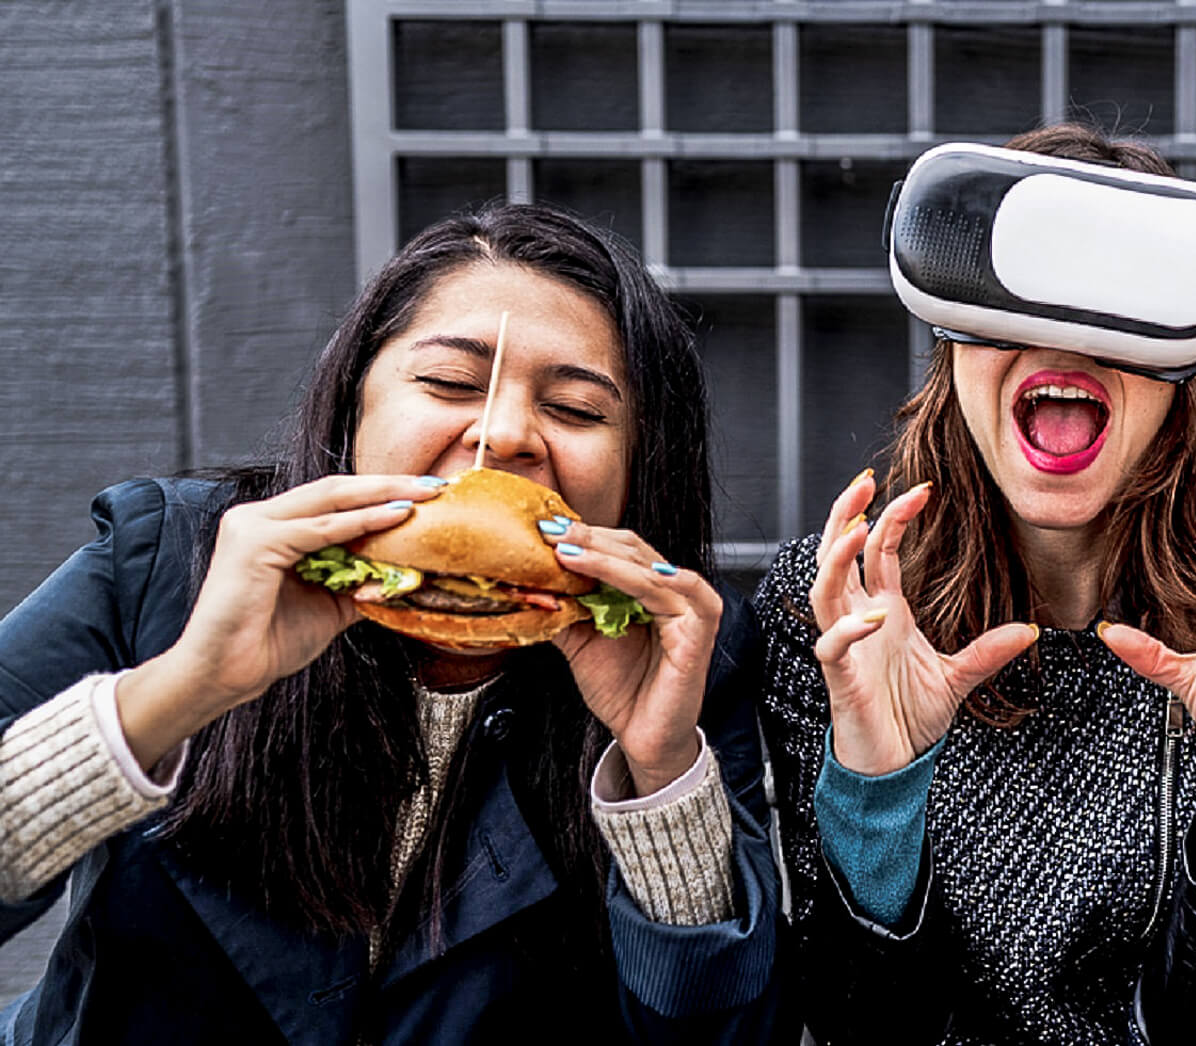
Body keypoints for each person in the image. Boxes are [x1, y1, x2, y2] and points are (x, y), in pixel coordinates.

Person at [0, 203, 782, 1042]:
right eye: (448, 383)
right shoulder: (171, 560)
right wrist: (188, 684)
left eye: (578, 410)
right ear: (353, 406)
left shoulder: (684, 647)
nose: (505, 433)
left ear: (640, 465)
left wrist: (659, 771)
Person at [753, 123, 1196, 1044]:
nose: (1063, 337)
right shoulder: (835, 612)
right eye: (1016, 303)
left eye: (1112, 304)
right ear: (954, 343)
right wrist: (875, 794)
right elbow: (851, 1021)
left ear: (1180, 366)